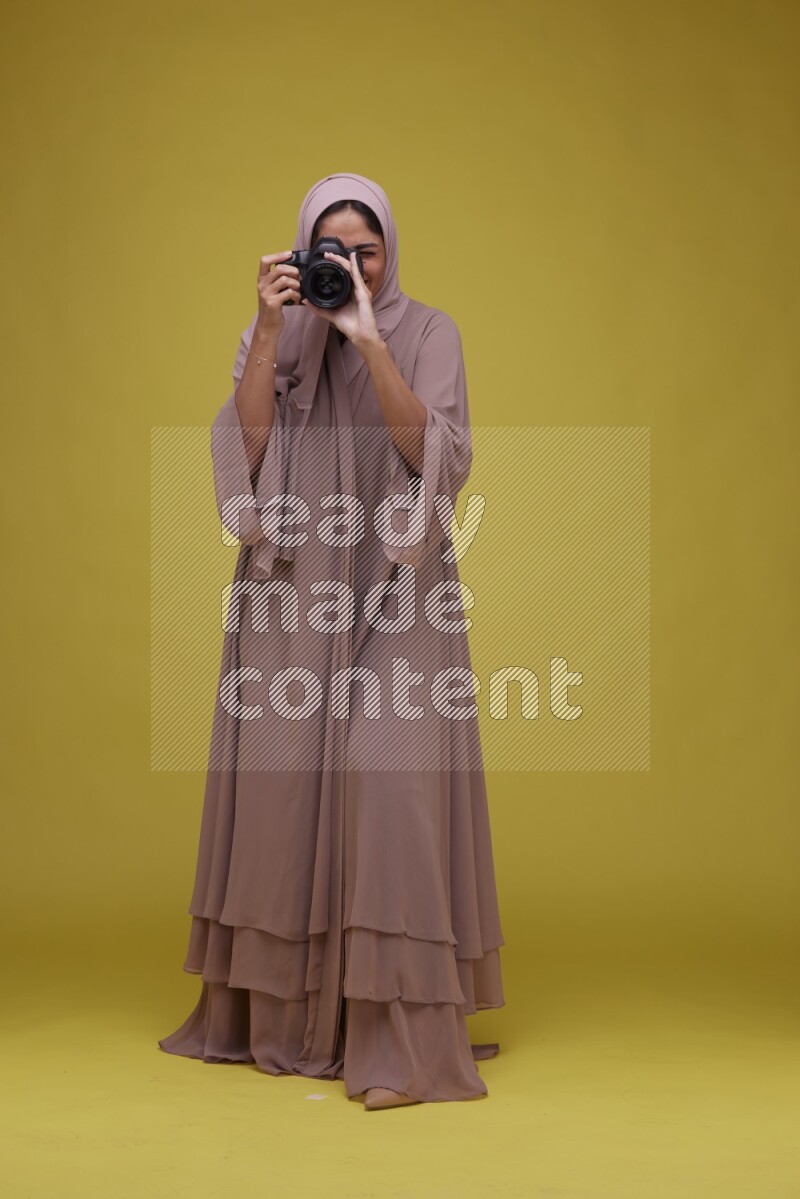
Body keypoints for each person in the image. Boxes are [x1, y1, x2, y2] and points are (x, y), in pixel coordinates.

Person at [157, 172, 505, 1109]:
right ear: (300, 254)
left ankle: (399, 1030)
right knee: (283, 792)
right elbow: (250, 459)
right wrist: (272, 333)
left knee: (389, 782)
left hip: (399, 581)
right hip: (292, 586)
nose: (348, 266)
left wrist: (368, 338)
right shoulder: (278, 331)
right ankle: (282, 1018)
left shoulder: (429, 333)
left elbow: (435, 454)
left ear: (390, 254)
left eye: (367, 250)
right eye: (330, 251)